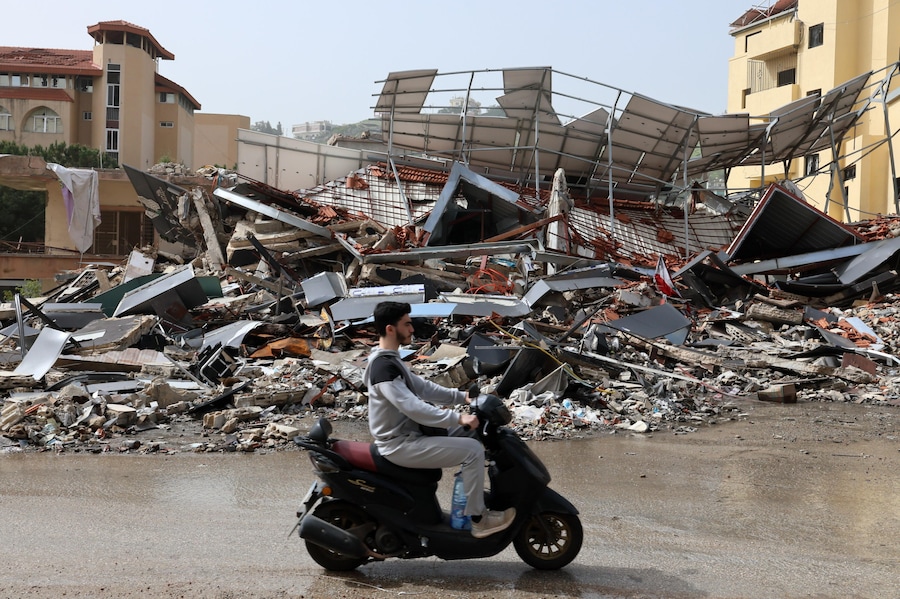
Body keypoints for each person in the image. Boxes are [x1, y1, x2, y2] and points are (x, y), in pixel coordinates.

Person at [363, 301, 516, 538]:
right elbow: (414, 408)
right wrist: (457, 418)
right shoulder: (383, 370)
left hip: (412, 435)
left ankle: (478, 499)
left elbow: (424, 389)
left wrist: (463, 397)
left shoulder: (391, 361)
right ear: (391, 329)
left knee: (473, 436)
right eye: (407, 324)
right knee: (473, 450)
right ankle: (478, 519)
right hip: (400, 444)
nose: (412, 329)